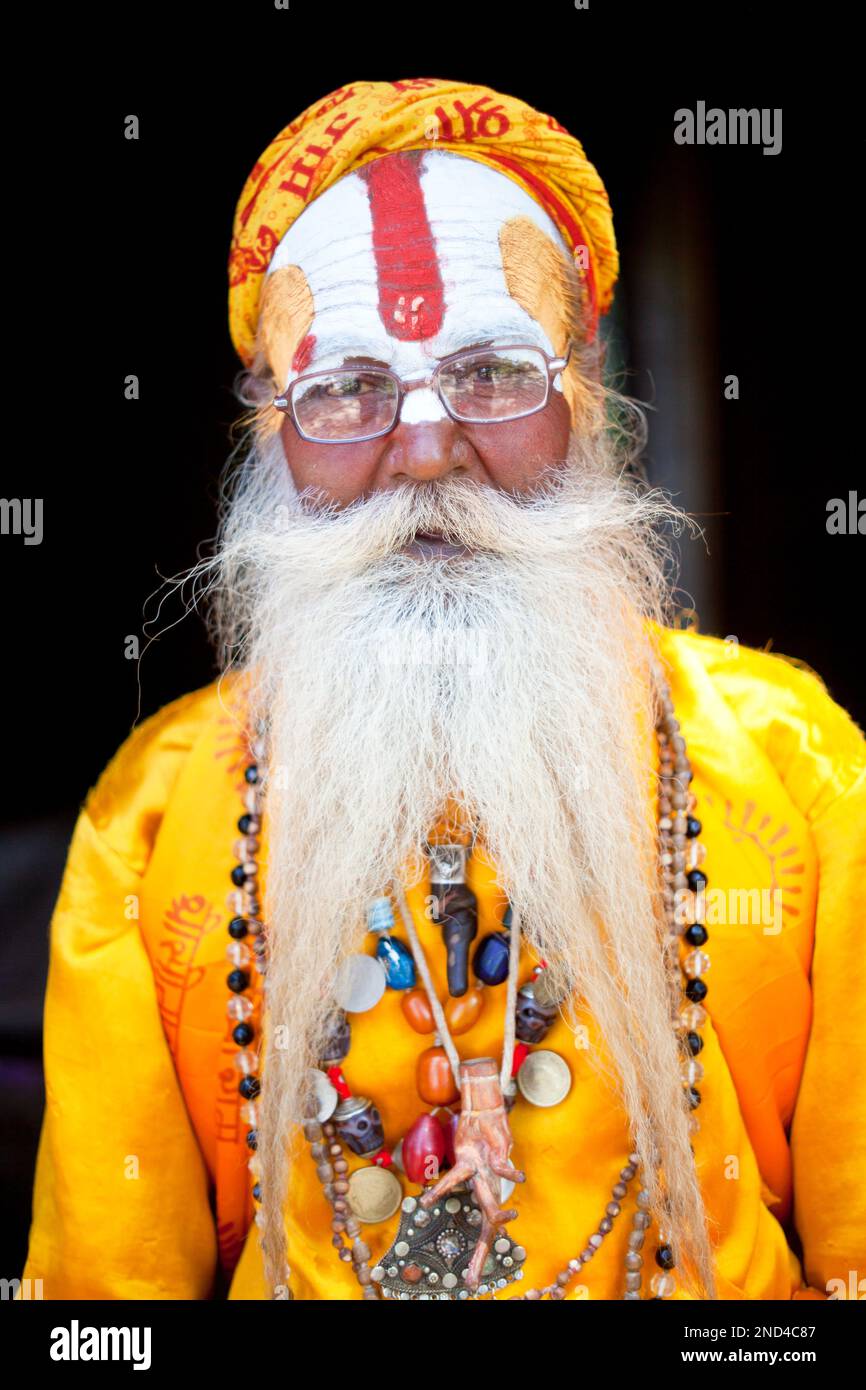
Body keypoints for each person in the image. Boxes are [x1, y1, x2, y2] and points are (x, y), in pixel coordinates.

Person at [21, 78, 865, 1302]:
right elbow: (106, 1307)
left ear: (586, 395)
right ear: (269, 433)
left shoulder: (793, 767)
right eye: (346, 387)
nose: (424, 449)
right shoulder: (154, 817)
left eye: (489, 370)